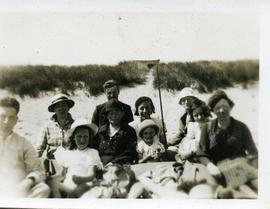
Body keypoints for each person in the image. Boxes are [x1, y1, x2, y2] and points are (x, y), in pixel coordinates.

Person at [196, 90, 258, 198]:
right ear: (213, 111)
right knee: (242, 187)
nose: (222, 110)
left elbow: (253, 152)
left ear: (230, 107)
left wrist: (254, 166)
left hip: (242, 164)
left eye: (225, 106)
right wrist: (209, 165)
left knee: (256, 182)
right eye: (217, 108)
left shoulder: (241, 127)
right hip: (220, 168)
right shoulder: (207, 128)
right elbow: (201, 153)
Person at [0, 97, 50, 197]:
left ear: (16, 120)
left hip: (18, 188)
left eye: (11, 117)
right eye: (2, 116)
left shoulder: (23, 143)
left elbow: (38, 170)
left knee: (43, 189)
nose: (6, 121)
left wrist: (28, 181)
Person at [53, 119, 103, 197]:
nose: (82, 140)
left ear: (90, 138)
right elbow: (64, 172)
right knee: (52, 185)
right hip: (68, 185)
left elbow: (92, 174)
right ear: (73, 137)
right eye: (79, 136)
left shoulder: (92, 152)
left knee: (80, 190)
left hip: (85, 184)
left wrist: (81, 179)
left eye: (85, 136)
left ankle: (71, 200)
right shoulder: (69, 153)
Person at [36, 93, 75, 177]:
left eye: (64, 105)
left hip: (71, 164)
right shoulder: (47, 126)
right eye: (58, 106)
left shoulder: (76, 125)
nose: (61, 108)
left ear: (68, 107)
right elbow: (39, 149)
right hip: (52, 165)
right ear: (54, 109)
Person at [94, 99, 138, 165]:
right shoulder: (100, 132)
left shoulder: (129, 131)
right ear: (107, 115)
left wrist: (113, 163)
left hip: (121, 166)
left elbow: (130, 152)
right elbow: (94, 150)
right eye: (111, 113)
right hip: (100, 166)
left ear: (122, 114)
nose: (114, 116)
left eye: (117, 113)